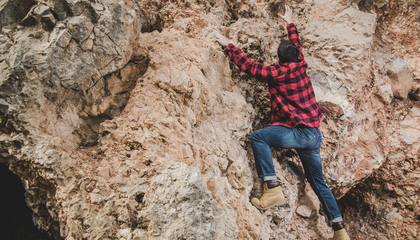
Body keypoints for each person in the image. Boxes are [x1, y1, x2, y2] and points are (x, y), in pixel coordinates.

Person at [215, 5, 350, 240]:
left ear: (279, 59)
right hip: (314, 134)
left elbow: (247, 65)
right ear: (297, 56)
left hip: (297, 134)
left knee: (258, 137)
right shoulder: (302, 64)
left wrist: (228, 44)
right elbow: (295, 44)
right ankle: (340, 230)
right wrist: (290, 22)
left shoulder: (274, 74)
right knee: (318, 182)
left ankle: (273, 189)